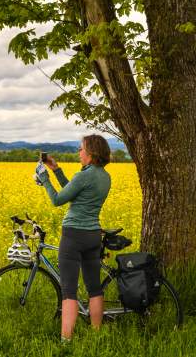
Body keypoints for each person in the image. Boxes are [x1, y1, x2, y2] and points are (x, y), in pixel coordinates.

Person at [34, 134, 111, 342]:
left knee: (68, 290)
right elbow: (74, 191)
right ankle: (96, 334)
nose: (79, 152)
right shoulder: (105, 176)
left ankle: (65, 341)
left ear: (91, 153)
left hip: (74, 236)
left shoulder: (84, 176)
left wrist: (44, 179)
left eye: (81, 148)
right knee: (94, 287)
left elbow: (59, 199)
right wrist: (56, 169)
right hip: (93, 235)